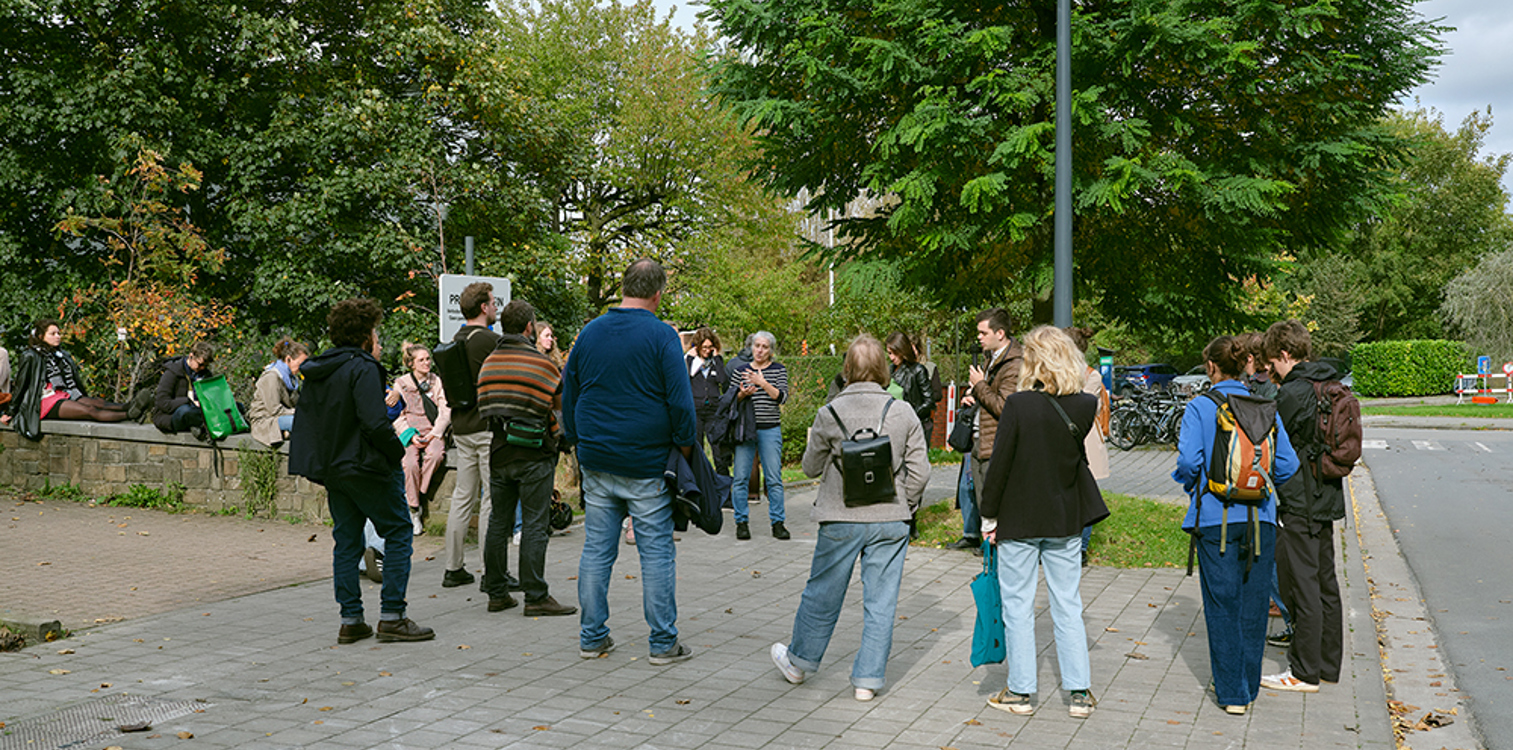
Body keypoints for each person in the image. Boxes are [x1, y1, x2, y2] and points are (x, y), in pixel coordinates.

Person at [769, 335, 931, 701]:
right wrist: (905, 504)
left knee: (822, 592)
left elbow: (809, 467)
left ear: (847, 369)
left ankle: (799, 664)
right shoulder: (902, 412)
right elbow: (921, 472)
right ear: (883, 369)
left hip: (840, 518)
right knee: (881, 601)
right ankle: (868, 681)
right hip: (891, 519)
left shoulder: (829, 413)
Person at [562, 258, 698, 665]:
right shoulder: (662, 336)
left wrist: (575, 440)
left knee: (596, 551)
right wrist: (686, 447)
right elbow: (680, 401)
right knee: (656, 554)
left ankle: (592, 636)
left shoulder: (589, 332)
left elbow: (569, 394)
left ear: (624, 286)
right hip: (646, 462)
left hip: (597, 458)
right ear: (658, 294)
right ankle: (662, 643)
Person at [979, 326, 1110, 719]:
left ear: (1034, 361)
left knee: (1017, 605)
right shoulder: (1085, 404)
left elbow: (999, 466)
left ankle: (1020, 691)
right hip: (1065, 516)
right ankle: (1079, 693)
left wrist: (988, 515)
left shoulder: (1018, 405)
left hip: (1019, 516)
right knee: (1067, 603)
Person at [288, 298, 433, 644]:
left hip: (334, 467)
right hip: (367, 466)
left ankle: (351, 618)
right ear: (365, 336)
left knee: (347, 540)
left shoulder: (321, 369)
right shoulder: (363, 368)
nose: (379, 342)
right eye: (376, 335)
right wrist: (396, 449)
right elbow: (372, 421)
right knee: (399, 531)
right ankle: (393, 615)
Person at [1173, 335, 1298, 714]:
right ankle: (1249, 683)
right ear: (1244, 363)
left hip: (1214, 519)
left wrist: (1187, 484)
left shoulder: (1200, 406)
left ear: (1211, 366)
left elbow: (1189, 462)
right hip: (1261, 517)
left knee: (1221, 604)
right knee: (1255, 604)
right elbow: (1288, 466)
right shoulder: (1265, 406)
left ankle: (1232, 694)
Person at [476, 300, 578, 617]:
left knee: (498, 522)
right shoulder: (542, 364)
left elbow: (484, 408)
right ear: (529, 327)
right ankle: (535, 595)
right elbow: (559, 407)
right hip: (534, 452)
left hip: (499, 451)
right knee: (535, 524)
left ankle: (496, 592)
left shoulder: (489, 363)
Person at [1261, 320, 1347, 694]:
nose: (1271, 371)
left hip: (1300, 498)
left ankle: (1303, 671)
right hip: (1328, 494)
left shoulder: (1294, 392)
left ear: (1284, 354)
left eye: (1272, 363)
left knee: (1302, 583)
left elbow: (1270, 440)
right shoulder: (1330, 383)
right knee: (1327, 582)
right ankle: (1328, 666)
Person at [442, 282, 502, 589]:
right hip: (487, 428)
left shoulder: (456, 339)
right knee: (491, 497)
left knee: (462, 496)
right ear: (483, 307)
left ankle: (453, 567)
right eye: (493, 303)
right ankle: (490, 570)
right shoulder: (490, 340)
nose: (495, 307)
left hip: (462, 426)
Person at [947, 308, 1021, 551]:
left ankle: (1003, 557)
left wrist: (979, 386)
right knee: (983, 505)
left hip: (997, 446)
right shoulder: (992, 359)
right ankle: (991, 553)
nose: (978, 337)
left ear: (1000, 333)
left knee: (997, 511)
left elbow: (1004, 407)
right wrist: (972, 397)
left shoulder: (1014, 364)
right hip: (981, 442)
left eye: (983, 332)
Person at [2, 319, 129, 439]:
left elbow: (72, 381)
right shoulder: (30, 355)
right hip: (44, 400)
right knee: (90, 411)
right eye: (52, 334)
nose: (58, 336)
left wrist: (82, 397)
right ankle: (129, 415)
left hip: (63, 394)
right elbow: (21, 385)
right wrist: (11, 412)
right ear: (41, 336)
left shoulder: (61, 355)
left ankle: (130, 407)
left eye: (58, 333)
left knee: (98, 403)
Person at [729, 330, 790, 540]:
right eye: (757, 346)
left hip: (770, 428)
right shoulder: (740, 370)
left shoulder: (779, 370)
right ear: (751, 347)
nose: (760, 350)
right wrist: (742, 394)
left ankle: (778, 523)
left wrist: (762, 382)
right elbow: (729, 401)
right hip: (746, 430)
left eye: (764, 347)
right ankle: (741, 522)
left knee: (773, 478)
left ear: (771, 350)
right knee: (740, 478)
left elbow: (782, 397)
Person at [388, 342, 451, 536]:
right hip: (410, 431)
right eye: (421, 360)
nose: (426, 363)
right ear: (411, 364)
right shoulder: (401, 384)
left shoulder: (436, 381)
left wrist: (435, 432)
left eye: (427, 359)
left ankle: (420, 492)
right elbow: (397, 415)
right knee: (409, 463)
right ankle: (414, 508)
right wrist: (411, 435)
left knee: (436, 455)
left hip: (431, 430)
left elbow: (445, 409)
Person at [1065, 326, 1111, 565]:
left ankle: (1081, 548)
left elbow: (1082, 405)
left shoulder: (1091, 375)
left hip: (1084, 439)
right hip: (1063, 438)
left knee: (1084, 491)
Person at [886, 331, 932, 540]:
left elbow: (929, 400)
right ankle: (894, 517)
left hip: (914, 428)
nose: (891, 357)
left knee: (913, 473)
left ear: (902, 351)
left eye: (893, 353)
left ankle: (911, 520)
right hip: (891, 429)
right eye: (888, 353)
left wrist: (910, 415)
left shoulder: (917, 371)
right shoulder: (888, 371)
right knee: (895, 474)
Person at [686, 327, 730, 475]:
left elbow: (723, 382)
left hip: (713, 411)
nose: (707, 350)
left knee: (718, 450)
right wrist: (691, 358)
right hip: (696, 411)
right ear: (697, 347)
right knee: (697, 449)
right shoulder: (690, 361)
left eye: (710, 347)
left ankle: (723, 487)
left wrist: (717, 358)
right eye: (704, 347)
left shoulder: (715, 362)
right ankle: (698, 485)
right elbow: (684, 380)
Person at [249, 339, 308, 447]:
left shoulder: (291, 379)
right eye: (300, 363)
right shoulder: (272, 377)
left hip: (280, 417)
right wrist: (299, 412)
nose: (302, 367)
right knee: (302, 422)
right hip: (266, 421)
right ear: (288, 359)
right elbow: (274, 410)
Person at [152, 342, 216, 434]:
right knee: (185, 411)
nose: (202, 368)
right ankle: (198, 425)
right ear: (191, 356)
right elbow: (163, 403)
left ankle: (197, 425)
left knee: (237, 407)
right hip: (172, 415)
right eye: (200, 364)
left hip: (200, 410)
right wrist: (188, 400)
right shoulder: (172, 373)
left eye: (205, 366)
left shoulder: (206, 374)